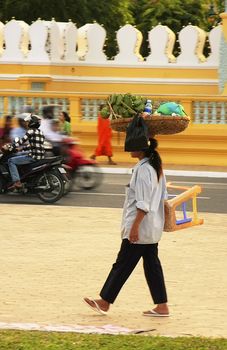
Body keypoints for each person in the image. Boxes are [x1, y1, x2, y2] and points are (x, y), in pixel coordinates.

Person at [84, 137, 169, 317]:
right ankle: (162, 306)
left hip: (142, 227)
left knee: (122, 264)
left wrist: (135, 227)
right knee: (152, 266)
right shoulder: (154, 167)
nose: (128, 148)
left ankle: (105, 302)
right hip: (151, 229)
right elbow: (163, 195)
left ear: (141, 149)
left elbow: (143, 203)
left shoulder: (145, 170)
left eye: (132, 146)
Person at [7, 115, 45, 189]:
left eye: (28, 122)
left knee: (11, 161)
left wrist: (11, 147)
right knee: (21, 154)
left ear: (32, 123)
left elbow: (21, 141)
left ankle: (17, 182)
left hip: (33, 156)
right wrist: (22, 149)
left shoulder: (30, 131)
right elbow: (35, 145)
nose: (27, 123)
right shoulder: (41, 132)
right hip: (40, 155)